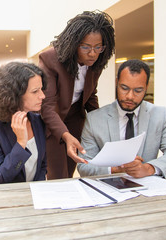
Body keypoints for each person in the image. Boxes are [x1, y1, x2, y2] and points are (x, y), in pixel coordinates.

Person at [77, 59, 166, 178]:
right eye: (124, 88)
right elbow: (84, 165)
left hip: (148, 188)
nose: (130, 96)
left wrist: (148, 168)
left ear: (146, 87)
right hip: (109, 187)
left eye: (138, 90)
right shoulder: (94, 119)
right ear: (116, 82)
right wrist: (115, 169)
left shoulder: (159, 115)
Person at [39, 10, 115, 179]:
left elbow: (90, 95)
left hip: (75, 119)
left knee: (70, 169)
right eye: (86, 47)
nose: (93, 53)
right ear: (74, 44)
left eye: (98, 47)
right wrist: (65, 136)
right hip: (52, 121)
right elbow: (47, 107)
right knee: (58, 175)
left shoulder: (97, 61)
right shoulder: (50, 59)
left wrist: (102, 123)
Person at [0, 62, 47, 185]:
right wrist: (21, 143)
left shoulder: (38, 121)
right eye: (35, 91)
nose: (42, 96)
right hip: (3, 196)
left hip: (33, 195)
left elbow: (42, 165)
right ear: (15, 94)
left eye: (41, 89)